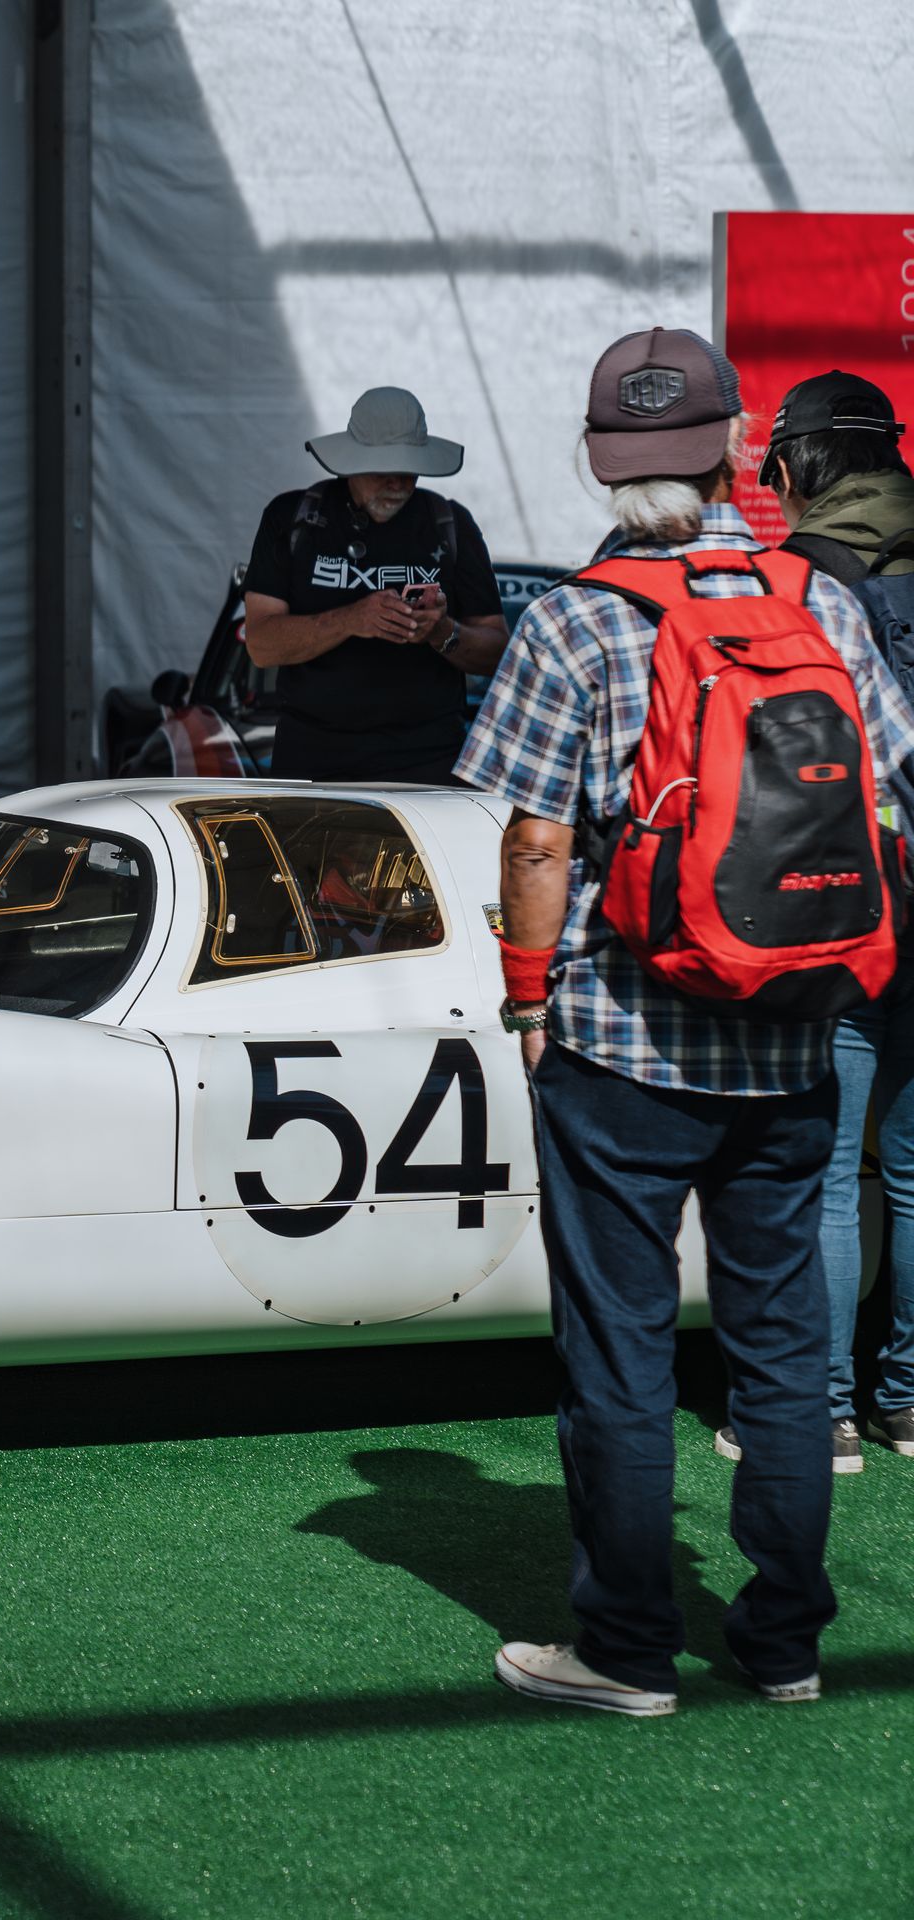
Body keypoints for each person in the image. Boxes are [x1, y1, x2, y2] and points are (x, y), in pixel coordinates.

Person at [461, 327, 914, 1716]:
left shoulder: (572, 620)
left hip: (619, 1039)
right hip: (788, 1038)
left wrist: (530, 998)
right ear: (731, 457)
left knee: (623, 1347)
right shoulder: (822, 607)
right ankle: (783, 1646)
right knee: (783, 1355)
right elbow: (891, 796)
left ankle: (627, 1649)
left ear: (602, 466)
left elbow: (538, 843)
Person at [758, 371, 914, 1466]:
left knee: (821, 1164)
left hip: (852, 900)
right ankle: (907, 1400)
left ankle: (823, 1410)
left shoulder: (807, 578)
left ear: (800, 465)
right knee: (912, 1167)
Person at [242, 387, 510, 782]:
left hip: (428, 763)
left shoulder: (449, 523)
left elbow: (498, 652)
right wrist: (352, 620)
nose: (398, 482)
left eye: (409, 469)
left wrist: (441, 632)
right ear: (350, 464)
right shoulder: (293, 518)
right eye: (382, 469)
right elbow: (261, 645)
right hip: (312, 762)